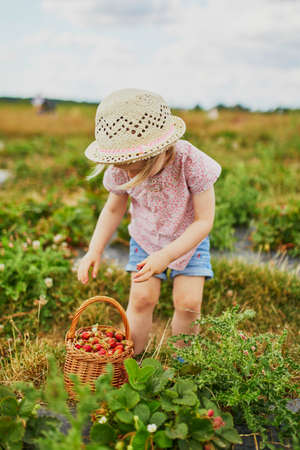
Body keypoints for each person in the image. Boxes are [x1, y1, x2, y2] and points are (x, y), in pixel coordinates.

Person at [77, 88, 222, 356]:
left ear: (161, 150)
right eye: (122, 166)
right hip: (146, 239)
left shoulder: (191, 162)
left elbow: (204, 221)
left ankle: (184, 362)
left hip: (189, 239)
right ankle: (132, 358)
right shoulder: (122, 167)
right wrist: (94, 250)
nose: (128, 172)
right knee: (142, 299)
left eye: (135, 167)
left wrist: (166, 255)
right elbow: (112, 210)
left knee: (188, 303)